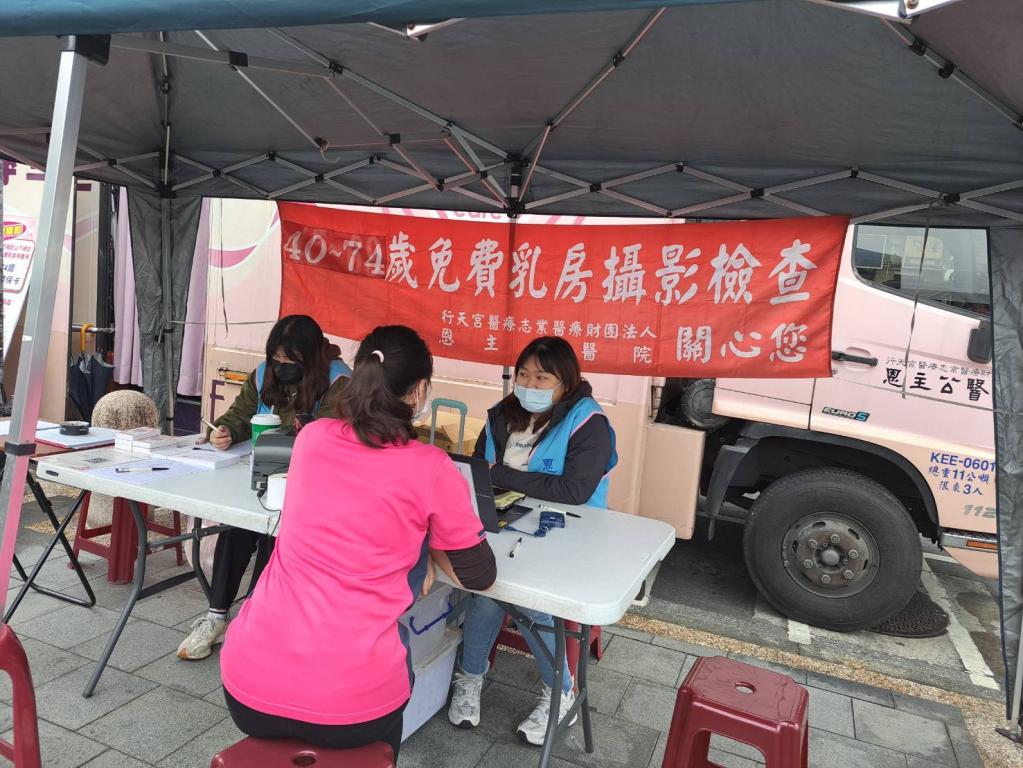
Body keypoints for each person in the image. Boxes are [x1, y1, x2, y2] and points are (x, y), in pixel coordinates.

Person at [219, 325, 496, 758]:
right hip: (353, 704)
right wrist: (427, 545)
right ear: (419, 391)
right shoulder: (431, 466)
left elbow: (347, 517)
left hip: (249, 687)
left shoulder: (312, 439)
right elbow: (479, 575)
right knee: (389, 680)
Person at [448, 336, 617, 746]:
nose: (529, 385)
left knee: (533, 604)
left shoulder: (589, 423)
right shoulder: (502, 415)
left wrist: (502, 474)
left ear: (566, 381)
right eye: (523, 375)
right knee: (486, 590)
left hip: (570, 533)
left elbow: (574, 490)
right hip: (507, 524)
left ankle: (561, 692)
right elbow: (479, 469)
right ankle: (470, 676)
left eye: (542, 378)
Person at [177, 314, 352, 661]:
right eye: (276, 359)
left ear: (311, 357)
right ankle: (217, 615)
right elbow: (240, 415)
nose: (281, 367)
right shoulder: (263, 374)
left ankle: (256, 619)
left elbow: (331, 437)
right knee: (236, 526)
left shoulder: (339, 381)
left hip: (310, 486)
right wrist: (225, 432)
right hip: (259, 475)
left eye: (290, 360)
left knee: (275, 536)